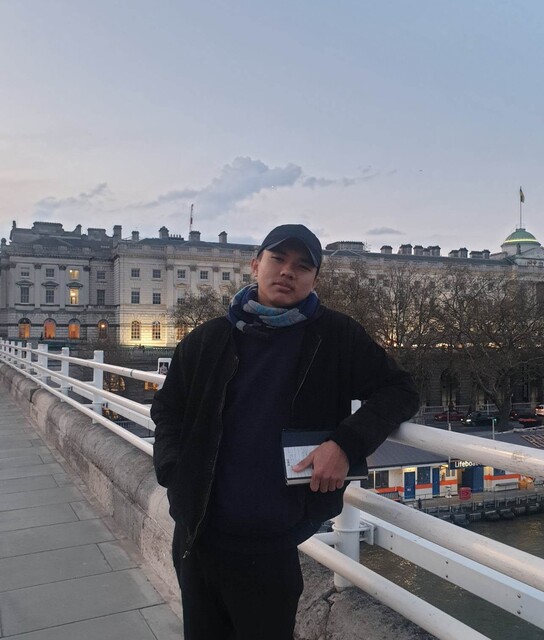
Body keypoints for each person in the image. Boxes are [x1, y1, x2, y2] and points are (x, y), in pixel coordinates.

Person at [151, 223, 419, 640]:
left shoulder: (336, 337)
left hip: (272, 545)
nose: (288, 272)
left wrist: (345, 444)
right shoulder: (208, 338)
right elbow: (168, 410)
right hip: (198, 536)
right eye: (278, 259)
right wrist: (174, 469)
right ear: (255, 265)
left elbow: (401, 390)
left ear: (315, 279)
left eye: (303, 266)